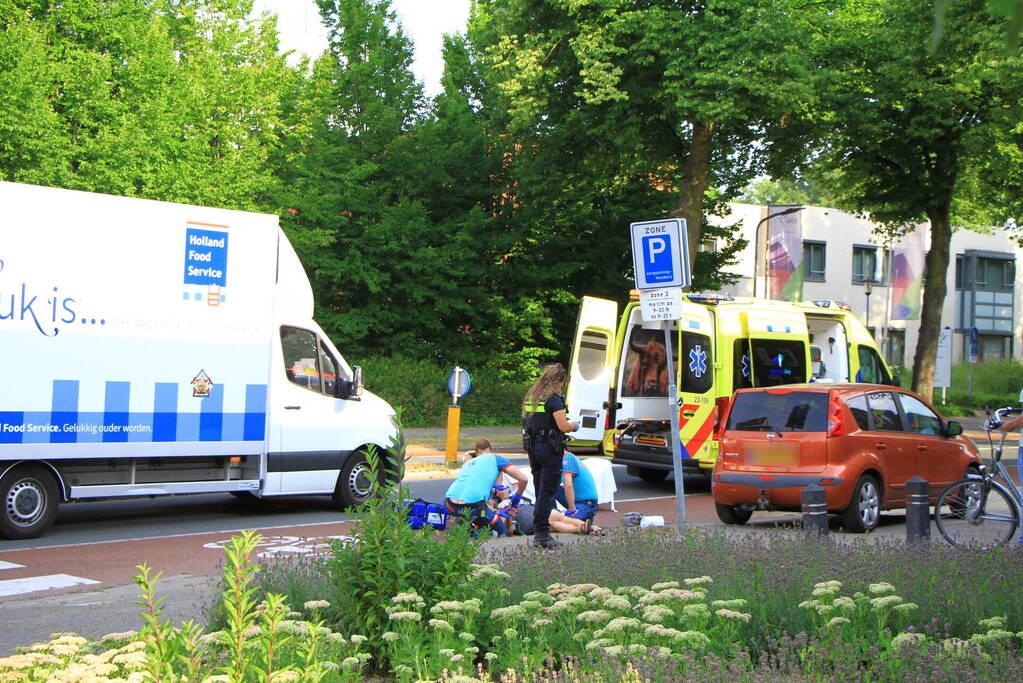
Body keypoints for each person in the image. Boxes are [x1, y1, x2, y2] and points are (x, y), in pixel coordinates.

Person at [522, 363, 579, 548]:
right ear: (559, 381)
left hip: (533, 449)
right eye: (562, 383)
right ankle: (541, 535)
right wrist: (574, 425)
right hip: (549, 450)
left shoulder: (532, 398)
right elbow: (562, 426)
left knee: (540, 490)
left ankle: (540, 530)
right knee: (547, 492)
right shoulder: (554, 400)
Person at [444, 439, 528, 531]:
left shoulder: (468, 463)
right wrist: (516, 500)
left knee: (469, 524)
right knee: (500, 529)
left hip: (449, 503)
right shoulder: (497, 459)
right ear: (491, 451)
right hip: (473, 507)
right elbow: (523, 479)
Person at [556, 449, 599, 525]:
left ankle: (586, 524)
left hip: (586, 504)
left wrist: (572, 510)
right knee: (550, 487)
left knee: (563, 521)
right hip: (581, 501)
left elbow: (568, 485)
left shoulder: (567, 459)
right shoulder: (566, 458)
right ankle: (552, 512)